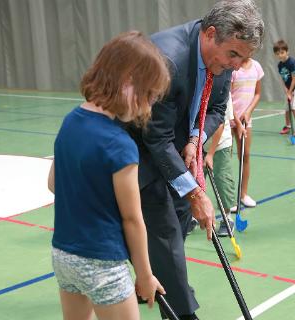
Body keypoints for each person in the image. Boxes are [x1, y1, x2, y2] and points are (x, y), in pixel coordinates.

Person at [119, 1, 264, 318]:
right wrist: (196, 192)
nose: (238, 66)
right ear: (211, 34)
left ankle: (152, 274)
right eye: (234, 56)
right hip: (137, 151)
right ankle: (181, 313)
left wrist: (196, 140)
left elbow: (215, 109)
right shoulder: (168, 59)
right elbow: (155, 137)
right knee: (165, 230)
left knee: (180, 220)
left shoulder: (223, 61)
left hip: (175, 142)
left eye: (243, 58)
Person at [47, 31, 169, 320]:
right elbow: (132, 219)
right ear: (127, 82)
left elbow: (53, 184)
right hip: (102, 264)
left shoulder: (70, 121)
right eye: (148, 96)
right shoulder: (120, 145)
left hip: (64, 255)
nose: (148, 107)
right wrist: (145, 276)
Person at [229, 57, 263, 209]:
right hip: (229, 119)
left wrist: (248, 112)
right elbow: (227, 96)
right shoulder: (233, 67)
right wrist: (235, 119)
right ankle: (227, 199)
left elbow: (257, 93)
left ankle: (243, 195)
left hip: (245, 120)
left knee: (245, 155)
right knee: (223, 160)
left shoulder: (256, 66)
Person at [204, 97, 238, 236]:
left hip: (220, 144)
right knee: (194, 180)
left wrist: (210, 153)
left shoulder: (222, 91)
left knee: (222, 180)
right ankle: (193, 217)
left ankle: (227, 218)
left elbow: (220, 124)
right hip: (198, 142)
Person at [273, 39, 295, 137]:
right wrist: (286, 90)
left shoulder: (292, 62)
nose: (280, 55)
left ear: (287, 52)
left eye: (282, 52)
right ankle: (288, 126)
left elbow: (294, 79)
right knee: (287, 108)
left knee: (294, 107)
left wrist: (290, 92)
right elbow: (283, 78)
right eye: (278, 53)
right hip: (289, 89)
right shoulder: (280, 65)